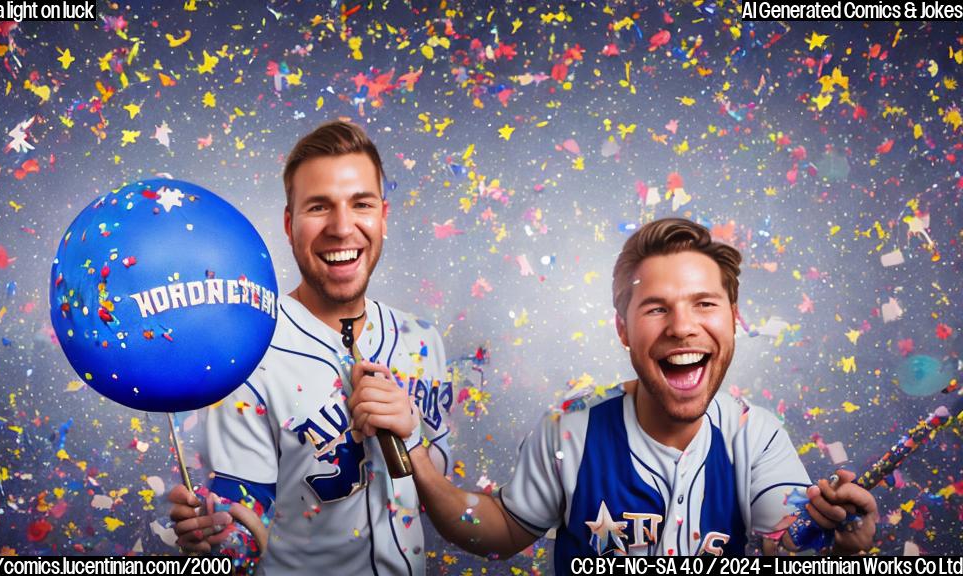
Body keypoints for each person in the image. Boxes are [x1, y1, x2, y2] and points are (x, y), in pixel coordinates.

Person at [363, 218, 876, 567]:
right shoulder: (571, 427)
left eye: (704, 305)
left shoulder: (756, 437)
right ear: (623, 328)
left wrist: (844, 550)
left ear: (733, 320)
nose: (682, 327)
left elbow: (782, 548)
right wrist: (415, 456)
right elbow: (501, 529)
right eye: (656, 308)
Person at [167, 121, 453, 574]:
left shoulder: (423, 339)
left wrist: (411, 435)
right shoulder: (249, 358)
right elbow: (240, 535)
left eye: (361, 204)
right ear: (289, 222)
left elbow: (438, 485)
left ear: (383, 215)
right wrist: (218, 539)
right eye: (319, 207)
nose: (342, 227)